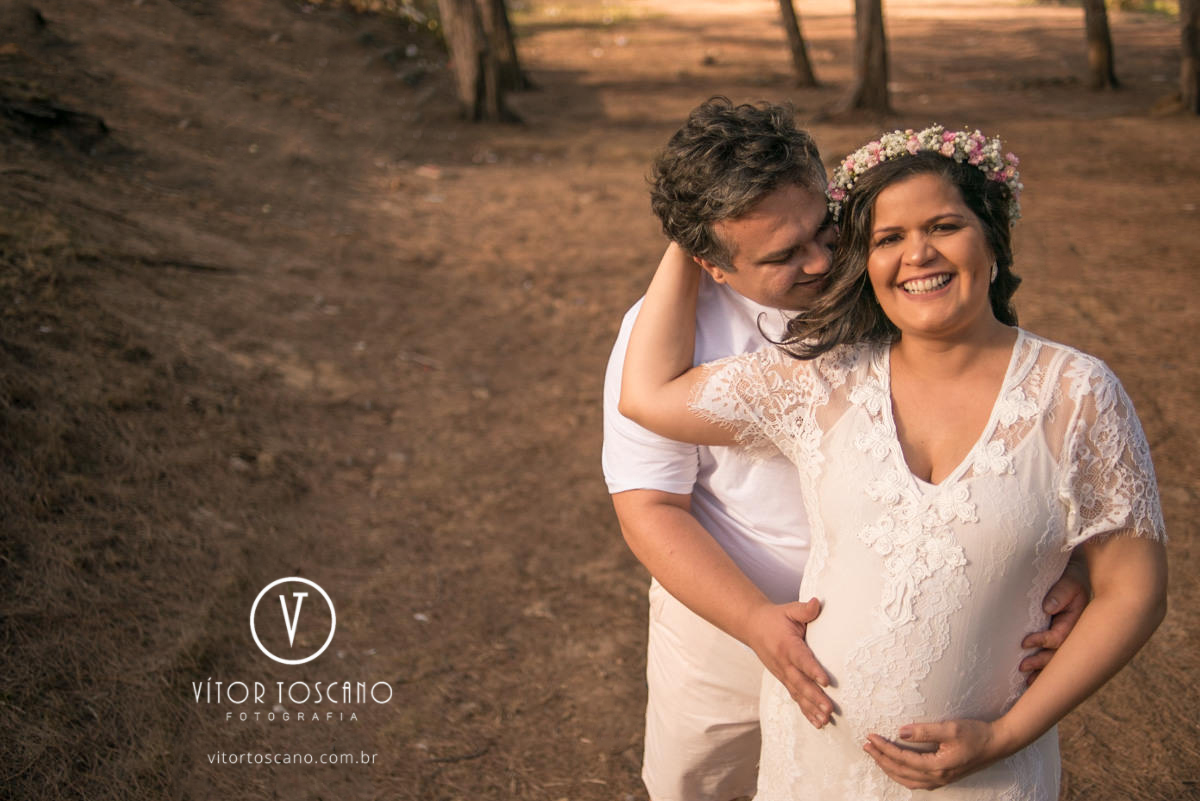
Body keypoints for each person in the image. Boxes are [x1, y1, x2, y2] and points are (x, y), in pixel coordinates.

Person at [618, 124, 1167, 800]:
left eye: (944, 226)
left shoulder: (1076, 392)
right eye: (888, 238)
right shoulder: (824, 377)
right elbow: (647, 401)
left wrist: (1008, 729)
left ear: (993, 238)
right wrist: (694, 228)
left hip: (986, 768)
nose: (918, 253)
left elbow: (1132, 587)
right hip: (802, 746)